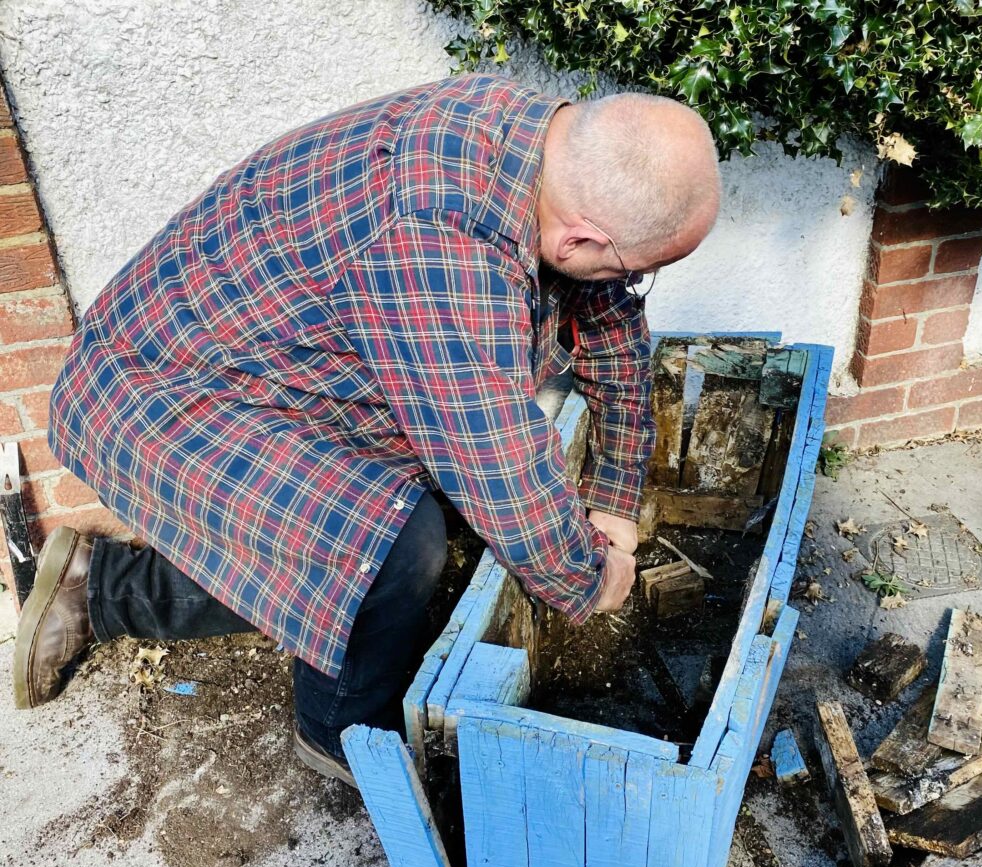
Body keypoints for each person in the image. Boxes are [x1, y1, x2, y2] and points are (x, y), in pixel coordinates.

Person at [13, 75, 720, 785]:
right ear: (581, 238)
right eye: (638, 267)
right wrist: (589, 578)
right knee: (392, 543)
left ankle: (99, 582)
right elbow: (495, 460)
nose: (632, 286)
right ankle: (338, 731)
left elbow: (609, 317)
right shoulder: (439, 240)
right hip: (161, 386)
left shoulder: (546, 150)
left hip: (271, 359)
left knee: (417, 516)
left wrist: (615, 504)